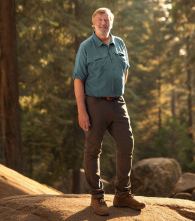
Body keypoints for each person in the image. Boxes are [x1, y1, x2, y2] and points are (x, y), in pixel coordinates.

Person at [73, 8, 145, 216]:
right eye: (100, 20)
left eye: (107, 20)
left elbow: (125, 69)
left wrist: (118, 89)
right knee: (93, 150)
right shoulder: (86, 47)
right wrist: (82, 111)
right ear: (93, 24)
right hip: (95, 104)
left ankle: (122, 194)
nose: (103, 23)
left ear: (111, 23)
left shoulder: (120, 43)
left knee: (126, 144)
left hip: (118, 104)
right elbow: (78, 79)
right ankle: (97, 197)